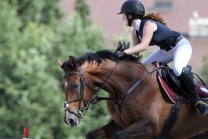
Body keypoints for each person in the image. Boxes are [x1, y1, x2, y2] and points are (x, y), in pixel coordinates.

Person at [115, 0, 208, 116]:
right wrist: (122, 59)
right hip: (165, 51)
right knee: (144, 69)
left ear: (130, 16)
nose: (122, 18)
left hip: (181, 46)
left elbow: (143, 46)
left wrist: (123, 51)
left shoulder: (148, 24)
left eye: (123, 16)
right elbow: (136, 54)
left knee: (178, 69)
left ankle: (198, 100)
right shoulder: (135, 32)